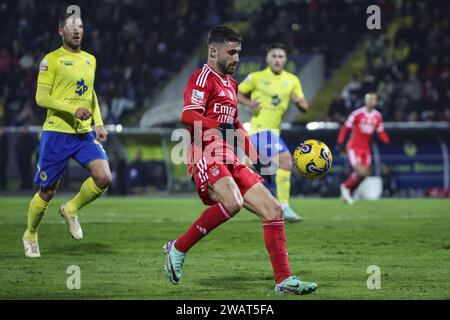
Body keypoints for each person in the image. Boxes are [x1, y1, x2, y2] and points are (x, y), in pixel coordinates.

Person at [163, 26, 317, 295]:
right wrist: (216, 126)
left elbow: (235, 124)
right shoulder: (202, 78)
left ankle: (284, 280)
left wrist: (254, 157)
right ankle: (178, 248)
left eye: (239, 53)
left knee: (273, 209)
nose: (236, 58)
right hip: (205, 151)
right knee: (232, 202)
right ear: (213, 51)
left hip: (230, 155)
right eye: (231, 52)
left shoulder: (231, 85)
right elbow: (188, 116)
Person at [22, 12, 111, 257]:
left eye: (80, 26)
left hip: (83, 134)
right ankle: (30, 233)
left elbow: (90, 93)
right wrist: (73, 108)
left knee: (104, 177)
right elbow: (41, 97)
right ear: (61, 31)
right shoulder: (51, 60)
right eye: (71, 27)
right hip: (57, 133)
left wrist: (99, 122)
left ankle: (71, 209)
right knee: (48, 191)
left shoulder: (90, 60)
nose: (77, 31)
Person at [237, 43, 309, 222]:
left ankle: (229, 178)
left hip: (274, 131)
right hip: (260, 129)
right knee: (285, 161)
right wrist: (248, 103)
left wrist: (298, 102)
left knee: (252, 165)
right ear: (267, 58)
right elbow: (235, 92)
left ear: (285, 59)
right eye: (274, 56)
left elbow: (305, 107)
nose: (277, 60)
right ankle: (284, 207)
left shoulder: (292, 80)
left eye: (280, 56)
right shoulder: (256, 77)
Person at [336, 92, 390, 205]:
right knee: (360, 171)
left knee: (365, 174)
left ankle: (348, 191)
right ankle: (345, 187)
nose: (373, 102)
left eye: (375, 99)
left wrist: (387, 140)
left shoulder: (378, 116)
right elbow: (345, 128)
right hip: (354, 147)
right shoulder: (357, 114)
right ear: (365, 101)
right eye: (370, 99)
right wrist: (340, 142)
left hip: (366, 148)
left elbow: (380, 132)